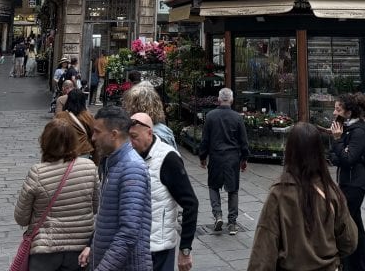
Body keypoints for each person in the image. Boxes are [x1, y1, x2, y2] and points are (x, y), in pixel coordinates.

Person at [248, 122, 357, 271]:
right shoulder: (331, 192)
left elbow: (264, 250)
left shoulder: (279, 193)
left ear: (290, 151)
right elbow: (349, 241)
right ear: (319, 152)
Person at [14, 116, 99, 271]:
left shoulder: (38, 172)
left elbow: (21, 218)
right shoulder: (90, 167)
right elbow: (95, 206)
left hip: (45, 250)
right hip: (80, 248)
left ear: (45, 141)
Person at [84, 106, 153, 271]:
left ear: (113, 134)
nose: (93, 138)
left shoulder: (131, 168)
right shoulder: (112, 163)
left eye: (97, 132)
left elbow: (128, 233)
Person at [128, 112, 199, 271]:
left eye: (134, 137)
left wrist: (185, 249)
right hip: (133, 246)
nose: (131, 143)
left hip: (159, 248)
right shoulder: (130, 155)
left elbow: (191, 204)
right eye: (129, 137)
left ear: (149, 133)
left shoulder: (168, 158)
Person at [198, 87, 250, 235]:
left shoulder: (211, 116)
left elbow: (205, 140)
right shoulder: (237, 118)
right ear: (232, 100)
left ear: (219, 99)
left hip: (215, 157)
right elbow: (243, 141)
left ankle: (218, 215)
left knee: (213, 186)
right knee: (233, 189)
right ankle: (232, 223)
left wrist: (203, 157)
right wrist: (244, 158)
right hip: (232, 158)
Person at [328, 92, 365, 271]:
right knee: (356, 225)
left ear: (348, 111)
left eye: (338, 108)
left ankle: (349, 264)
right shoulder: (347, 127)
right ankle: (360, 265)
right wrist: (338, 147)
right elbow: (336, 157)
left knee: (347, 225)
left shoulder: (359, 131)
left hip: (355, 183)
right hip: (348, 180)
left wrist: (338, 142)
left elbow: (348, 158)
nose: (334, 112)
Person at [123, 83, 177, 149]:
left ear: (134, 108)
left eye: (128, 105)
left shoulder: (153, 136)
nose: (126, 108)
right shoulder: (163, 130)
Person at [56, 89, 97, 162]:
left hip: (64, 151)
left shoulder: (60, 116)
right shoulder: (87, 116)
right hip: (83, 151)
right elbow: (93, 135)